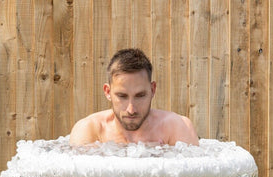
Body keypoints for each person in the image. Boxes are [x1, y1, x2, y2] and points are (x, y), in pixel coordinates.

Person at [69, 48, 199, 146]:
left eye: (140, 96)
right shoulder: (90, 130)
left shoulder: (176, 127)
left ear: (152, 90)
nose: (131, 110)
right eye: (122, 96)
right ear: (108, 92)